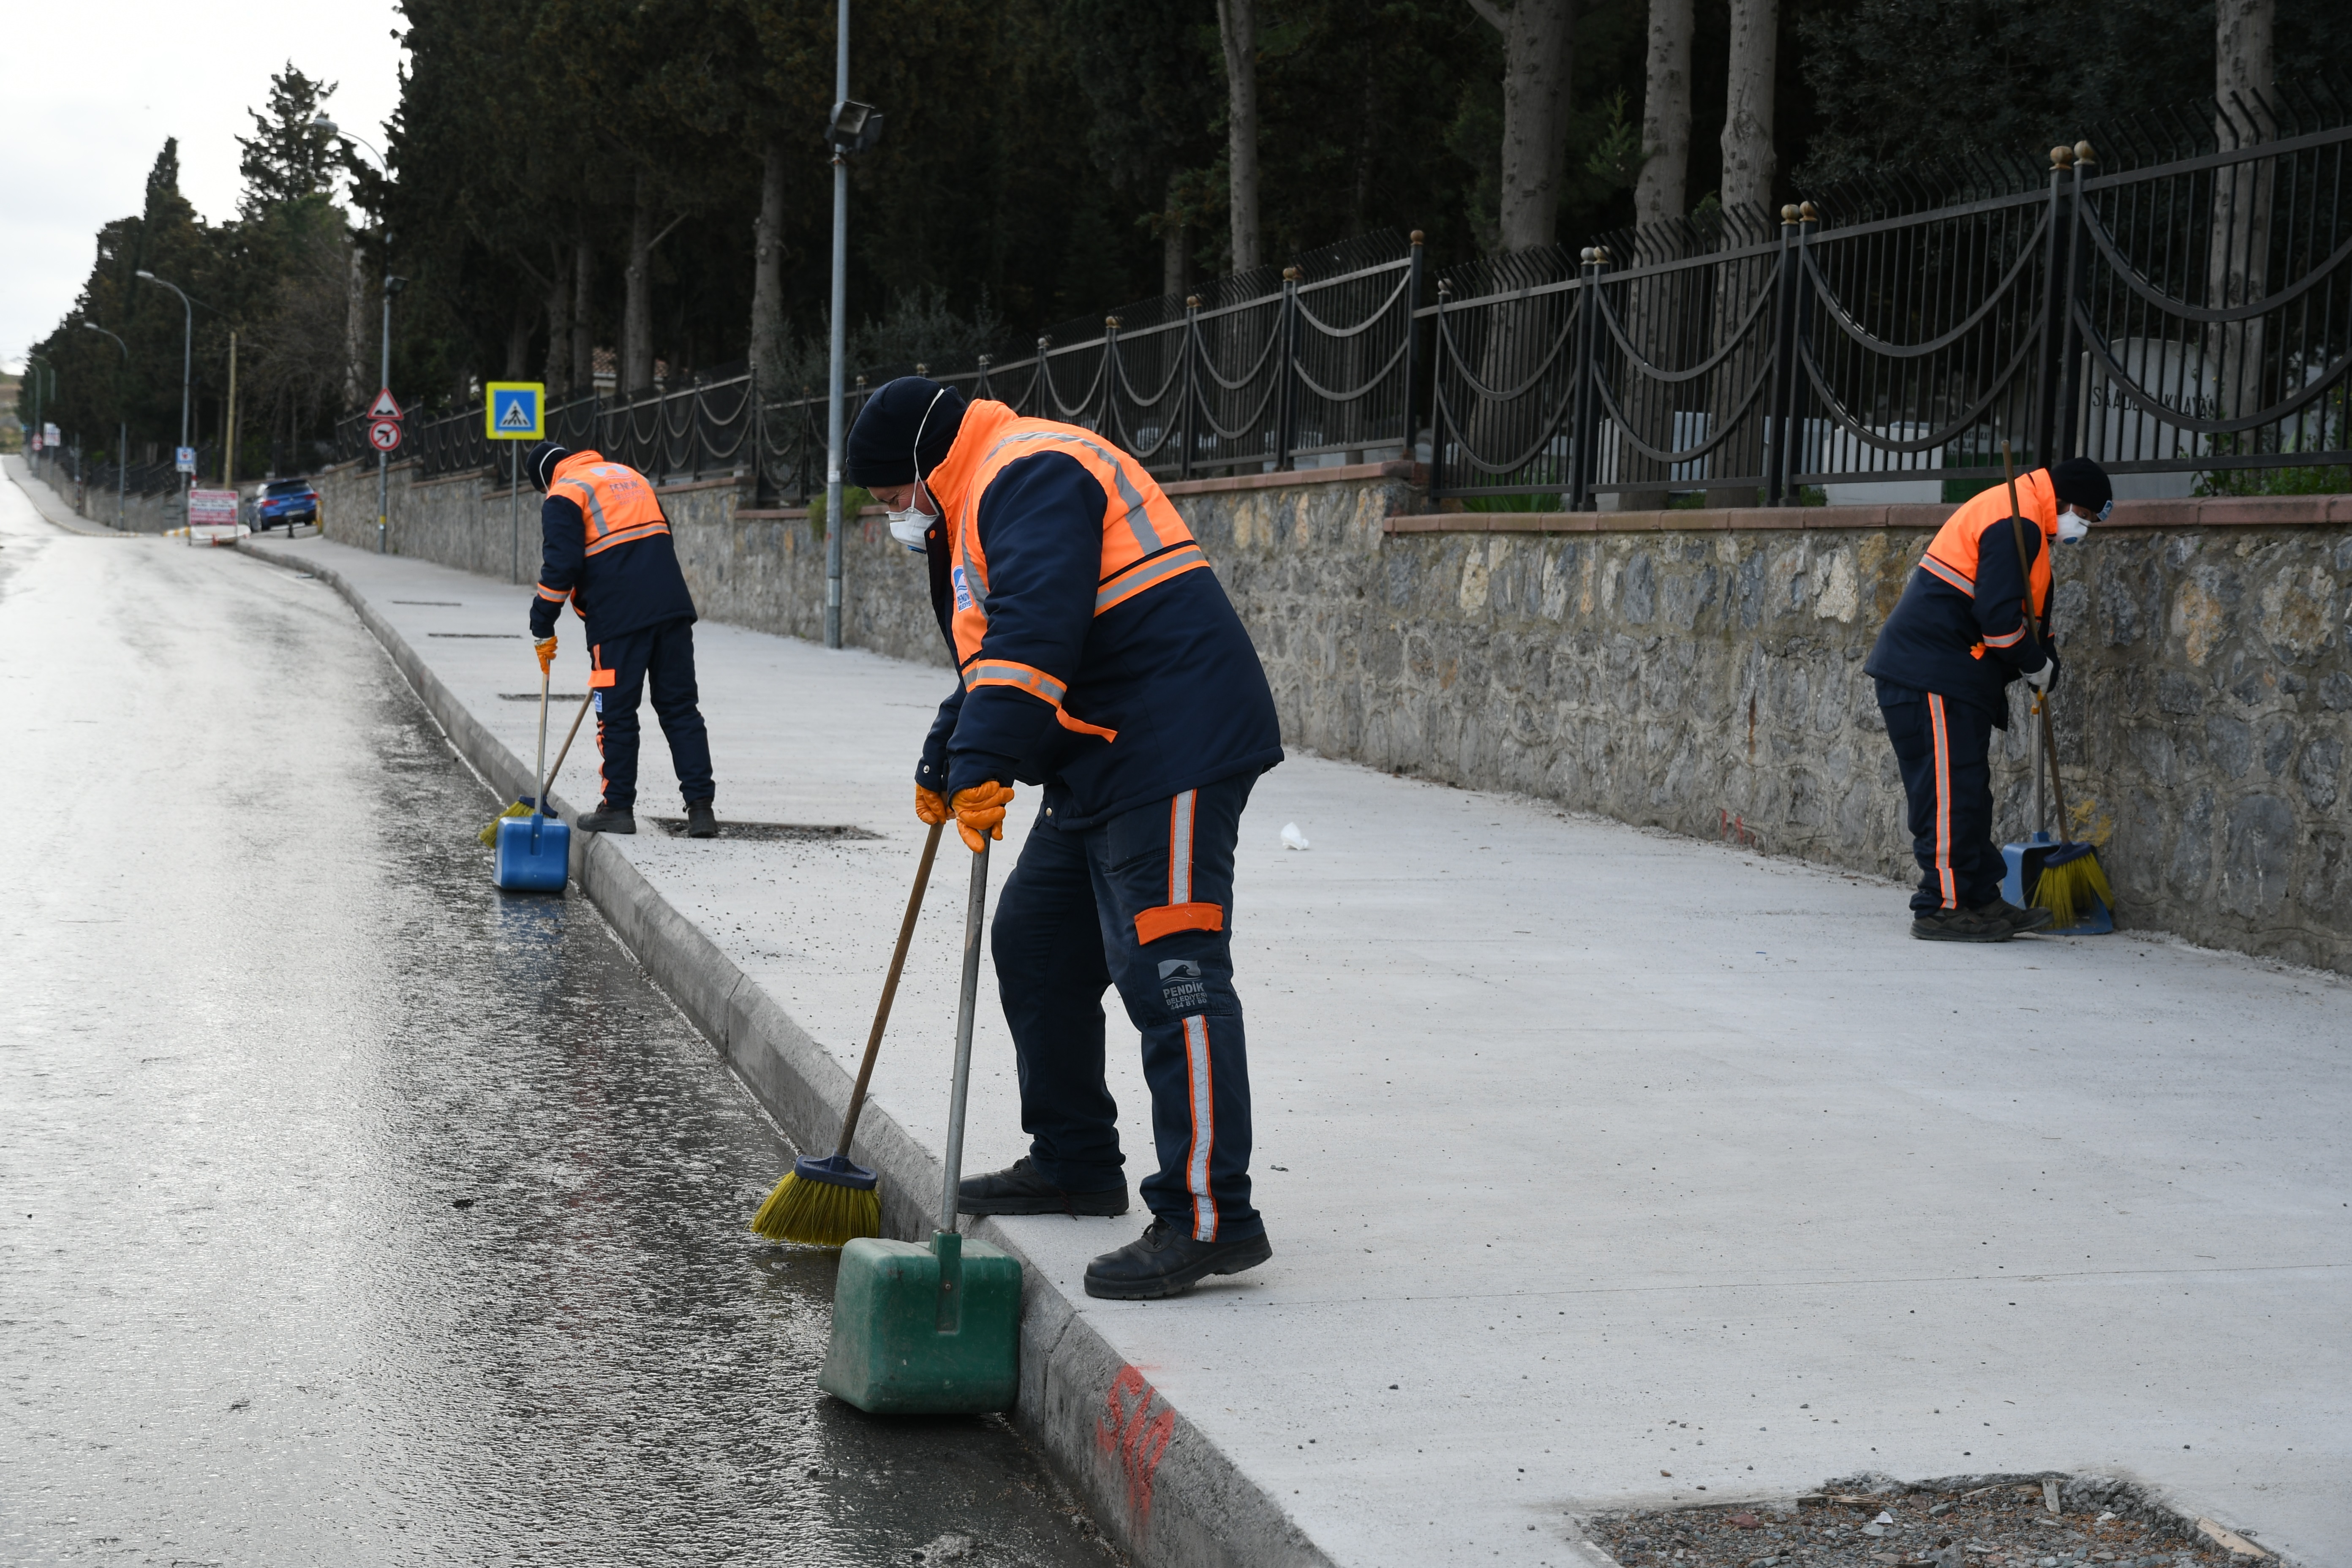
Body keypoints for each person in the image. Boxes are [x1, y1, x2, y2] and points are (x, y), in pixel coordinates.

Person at [845, 376, 1284, 1301]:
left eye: (893, 499)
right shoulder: (979, 493)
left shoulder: (1029, 468)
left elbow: (1037, 633)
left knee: (1173, 968)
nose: (897, 519)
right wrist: (949, 755)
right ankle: (1077, 1158)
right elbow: (994, 648)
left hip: (1170, 740)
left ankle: (1211, 1214)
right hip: (1103, 750)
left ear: (925, 466)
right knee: (1036, 942)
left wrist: (986, 757)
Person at [1863, 455, 2110, 941]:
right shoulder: (2014, 522)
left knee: (1970, 791)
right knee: (1948, 796)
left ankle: (1979, 897)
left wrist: (2046, 664)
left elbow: (2033, 618)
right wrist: (2031, 663)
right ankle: (1942, 907)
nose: (2082, 528)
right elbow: (1999, 624)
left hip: (1952, 675)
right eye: (2084, 516)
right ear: (2062, 500)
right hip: (1928, 673)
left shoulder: (2030, 531)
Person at [524, 441, 716, 838]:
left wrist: (542, 620)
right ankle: (701, 811)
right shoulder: (630, 477)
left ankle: (618, 808)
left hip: (618, 620)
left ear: (544, 480)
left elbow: (561, 566)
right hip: (672, 608)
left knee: (615, 714)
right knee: (680, 708)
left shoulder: (563, 493)